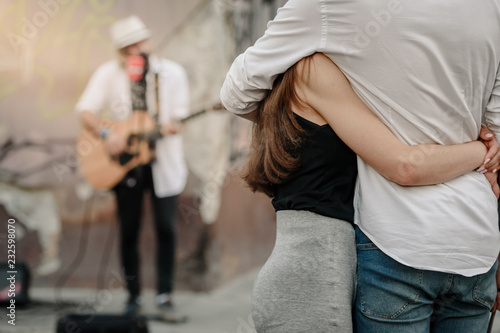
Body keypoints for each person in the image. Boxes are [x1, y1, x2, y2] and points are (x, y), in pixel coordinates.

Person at [221, 1, 500, 331]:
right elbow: (417, 161)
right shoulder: (489, 8)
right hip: (467, 244)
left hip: (378, 250)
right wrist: (481, 151)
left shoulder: (326, 39)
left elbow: (237, 91)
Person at [75, 15, 189, 323]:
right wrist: (105, 135)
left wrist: (170, 126)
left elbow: (179, 117)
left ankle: (165, 297)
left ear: (149, 41)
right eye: (127, 47)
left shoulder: (172, 74)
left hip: (164, 164)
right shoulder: (108, 74)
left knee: (166, 228)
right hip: (126, 167)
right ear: (120, 52)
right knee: (129, 231)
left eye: (139, 43)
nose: (135, 51)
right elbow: (85, 110)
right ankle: (133, 298)